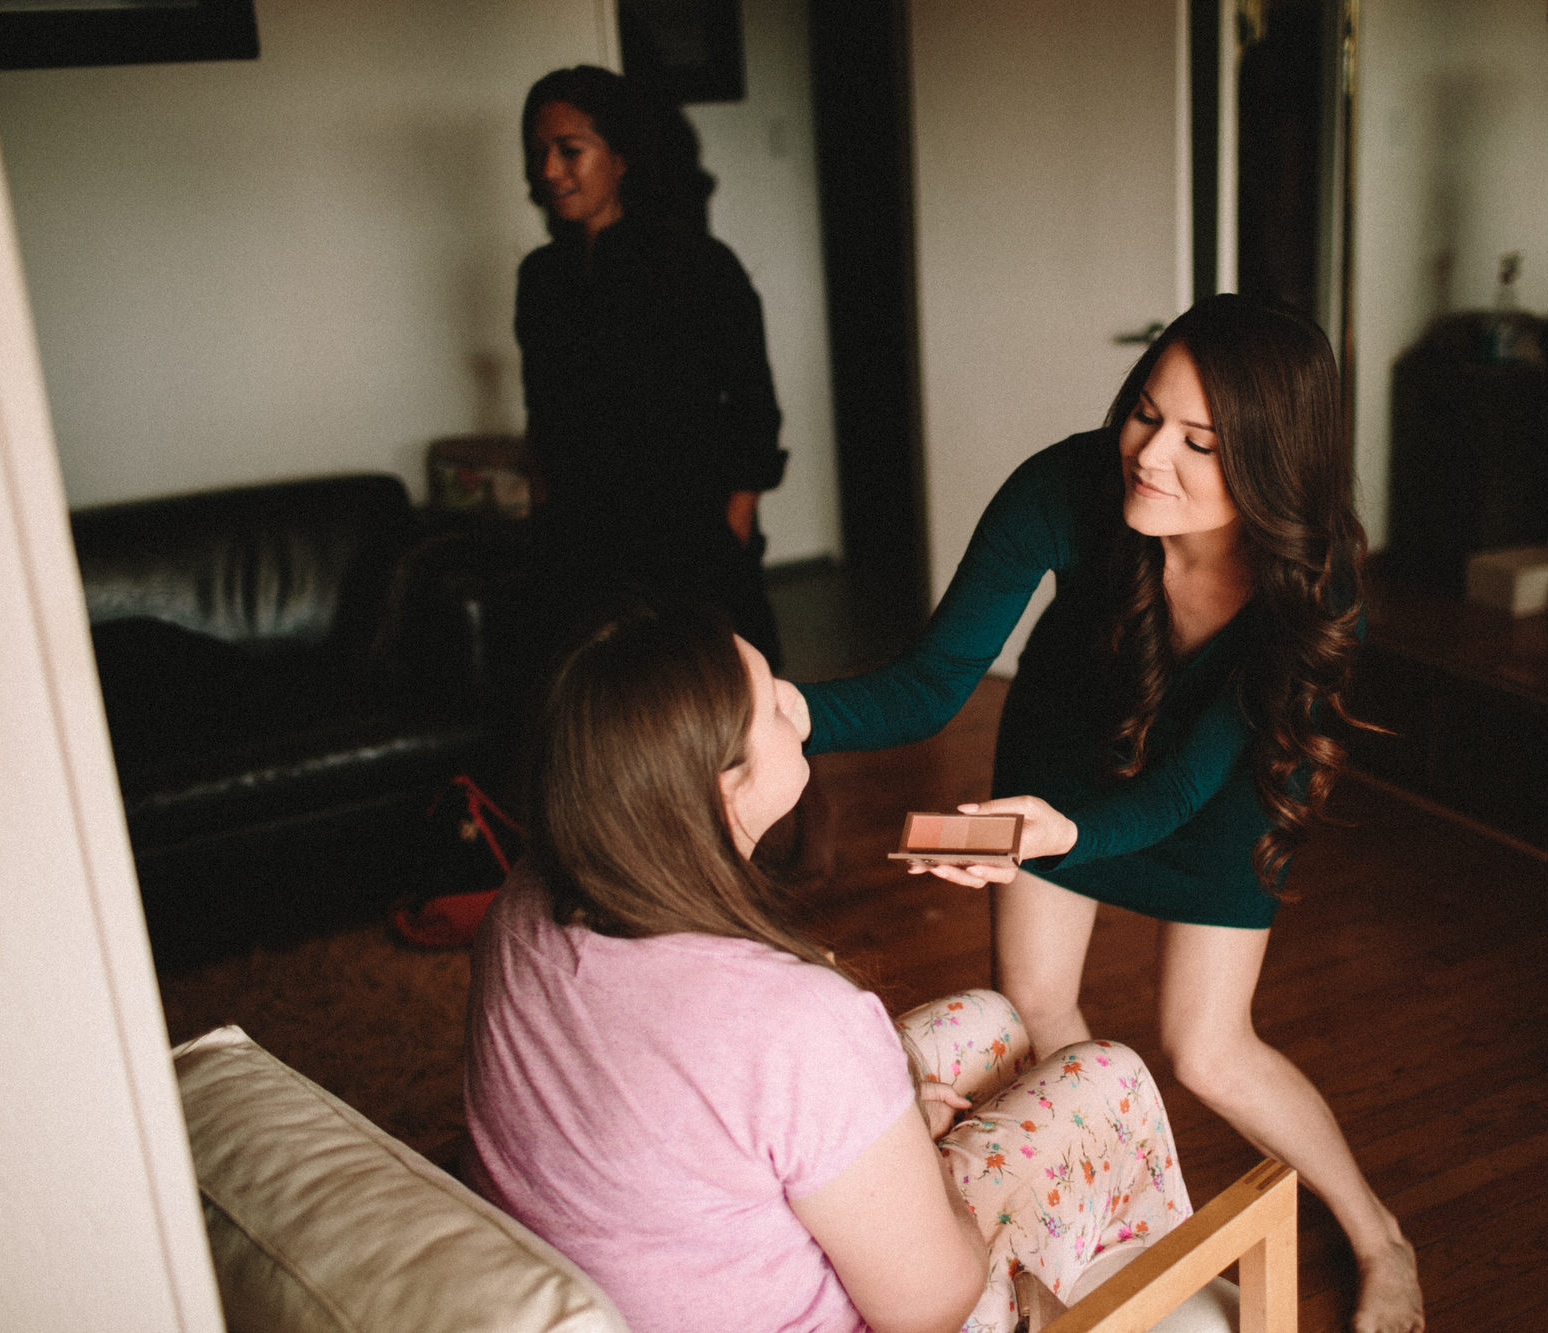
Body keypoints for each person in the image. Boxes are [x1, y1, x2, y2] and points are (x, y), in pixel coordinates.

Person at [800, 294, 1426, 1333]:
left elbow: (1178, 793)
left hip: (1214, 789)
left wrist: (1062, 837)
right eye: (1144, 412)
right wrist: (778, 712)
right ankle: (1135, 1244)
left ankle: (1377, 1233)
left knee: (1206, 1049)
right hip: (1070, 743)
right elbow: (928, 685)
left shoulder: (1307, 591)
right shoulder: (1066, 485)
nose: (1147, 456)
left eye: (1199, 442)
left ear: (1268, 464)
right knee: (1037, 1008)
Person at [462, 604, 1191, 1333]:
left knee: (993, 1019)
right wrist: (921, 1161)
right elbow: (933, 1306)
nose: (797, 701)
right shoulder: (793, 1018)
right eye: (773, 704)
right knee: (1111, 1079)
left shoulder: (525, 900)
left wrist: (890, 1130)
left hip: (654, 1260)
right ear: (725, 787)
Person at [515, 65, 787, 665]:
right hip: (580, 531)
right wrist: (544, 502)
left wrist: (733, 527)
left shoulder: (699, 265)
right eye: (539, 154)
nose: (549, 171)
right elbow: (541, 406)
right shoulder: (540, 278)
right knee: (598, 708)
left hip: (687, 527)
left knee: (713, 702)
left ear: (622, 158)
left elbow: (753, 403)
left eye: (570, 151)